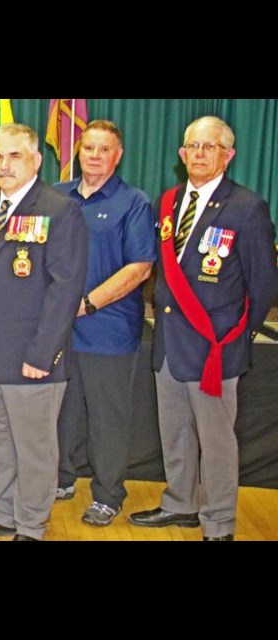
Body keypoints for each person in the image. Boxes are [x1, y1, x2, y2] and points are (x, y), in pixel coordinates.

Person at [129, 116, 278, 541]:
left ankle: (219, 522)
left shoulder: (247, 208)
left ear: (227, 155)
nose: (198, 154)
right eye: (192, 147)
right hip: (170, 344)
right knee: (174, 432)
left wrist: (238, 337)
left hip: (215, 349)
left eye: (208, 147)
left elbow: (264, 282)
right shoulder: (168, 202)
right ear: (181, 154)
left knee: (216, 442)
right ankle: (181, 503)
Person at [0, 123, 87, 541]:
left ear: (36, 160)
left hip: (31, 356)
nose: (4, 166)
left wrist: (42, 354)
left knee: (35, 450)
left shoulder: (60, 210)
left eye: (15, 156)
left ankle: (29, 524)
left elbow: (65, 290)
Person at [52, 120, 156, 526]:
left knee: (107, 419)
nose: (94, 156)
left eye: (103, 149)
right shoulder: (57, 197)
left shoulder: (134, 202)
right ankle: (60, 479)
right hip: (58, 332)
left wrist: (85, 305)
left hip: (108, 332)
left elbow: (140, 268)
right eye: (88, 148)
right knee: (61, 413)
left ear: (118, 155)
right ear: (78, 152)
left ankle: (108, 494)